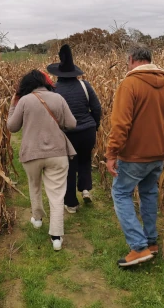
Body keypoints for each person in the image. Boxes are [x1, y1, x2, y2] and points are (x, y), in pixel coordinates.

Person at [105, 45, 164, 267]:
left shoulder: (130, 84)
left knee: (120, 193)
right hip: (158, 153)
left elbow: (120, 124)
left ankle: (138, 246)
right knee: (148, 193)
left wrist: (111, 153)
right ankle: (151, 242)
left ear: (132, 59)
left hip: (135, 154)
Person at [7, 70, 77, 251]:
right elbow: (71, 124)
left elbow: (12, 127)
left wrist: (13, 105)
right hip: (58, 153)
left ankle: (37, 219)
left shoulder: (24, 100)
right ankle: (56, 237)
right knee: (57, 193)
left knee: (34, 185)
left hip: (31, 153)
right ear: (44, 82)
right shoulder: (58, 98)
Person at [47, 44, 101, 213]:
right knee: (85, 159)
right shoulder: (85, 85)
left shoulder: (53, 90)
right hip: (87, 131)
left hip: (66, 134)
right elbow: (97, 108)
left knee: (68, 167)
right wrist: (95, 125)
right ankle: (85, 189)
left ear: (58, 74)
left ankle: (71, 204)